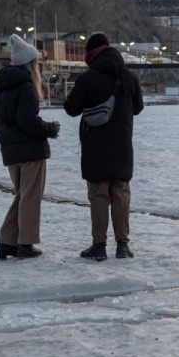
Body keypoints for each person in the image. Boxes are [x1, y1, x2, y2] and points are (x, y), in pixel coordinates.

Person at [64, 33, 144, 261]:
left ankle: (99, 246)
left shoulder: (88, 78)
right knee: (120, 193)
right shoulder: (129, 77)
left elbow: (71, 108)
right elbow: (138, 108)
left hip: (95, 146)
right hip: (122, 144)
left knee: (99, 194)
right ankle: (123, 245)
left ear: (90, 54)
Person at [0, 34, 60, 260]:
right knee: (29, 197)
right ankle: (24, 244)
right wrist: (50, 129)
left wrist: (5, 137)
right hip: (30, 151)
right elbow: (27, 121)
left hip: (10, 152)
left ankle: (7, 242)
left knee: (22, 195)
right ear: (31, 64)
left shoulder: (1, 86)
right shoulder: (27, 87)